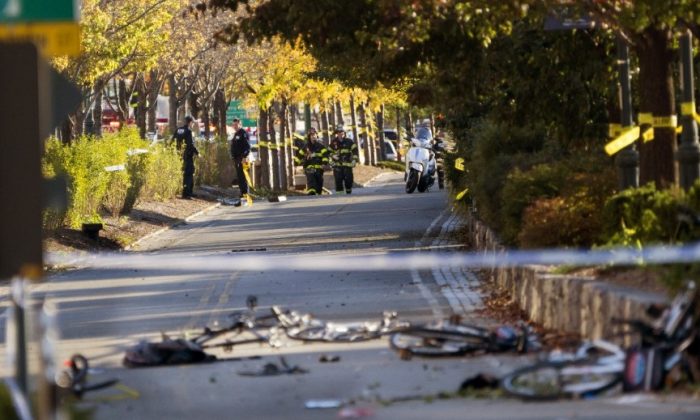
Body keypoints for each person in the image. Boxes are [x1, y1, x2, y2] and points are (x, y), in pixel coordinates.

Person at [294, 128, 329, 195]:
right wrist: (296, 163)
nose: (313, 136)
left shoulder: (321, 146)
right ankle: (311, 192)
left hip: (319, 168)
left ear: (316, 136)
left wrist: (324, 163)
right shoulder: (306, 147)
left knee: (319, 183)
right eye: (311, 135)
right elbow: (299, 156)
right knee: (311, 179)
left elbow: (325, 156)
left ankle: (317, 193)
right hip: (309, 167)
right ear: (309, 137)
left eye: (314, 135)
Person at [172, 116, 199, 199]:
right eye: (192, 123)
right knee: (188, 174)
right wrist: (197, 153)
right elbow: (190, 144)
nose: (193, 124)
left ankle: (189, 192)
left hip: (179, 155)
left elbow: (172, 141)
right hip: (187, 156)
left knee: (186, 173)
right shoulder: (188, 131)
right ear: (190, 122)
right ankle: (186, 193)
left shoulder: (178, 130)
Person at [329, 126, 358, 194]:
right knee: (338, 181)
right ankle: (340, 196)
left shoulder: (349, 142)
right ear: (337, 133)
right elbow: (328, 152)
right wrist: (332, 156)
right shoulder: (333, 143)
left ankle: (348, 192)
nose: (340, 134)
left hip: (347, 165)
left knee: (349, 181)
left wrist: (354, 160)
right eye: (339, 133)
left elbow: (355, 151)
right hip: (337, 166)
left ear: (344, 133)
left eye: (342, 132)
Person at [230, 118, 251, 202]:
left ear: (240, 124)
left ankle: (245, 193)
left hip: (242, 159)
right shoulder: (236, 134)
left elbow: (247, 147)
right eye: (233, 125)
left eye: (236, 124)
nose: (234, 126)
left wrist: (244, 157)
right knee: (240, 176)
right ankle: (242, 193)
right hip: (237, 159)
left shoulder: (243, 133)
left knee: (243, 176)